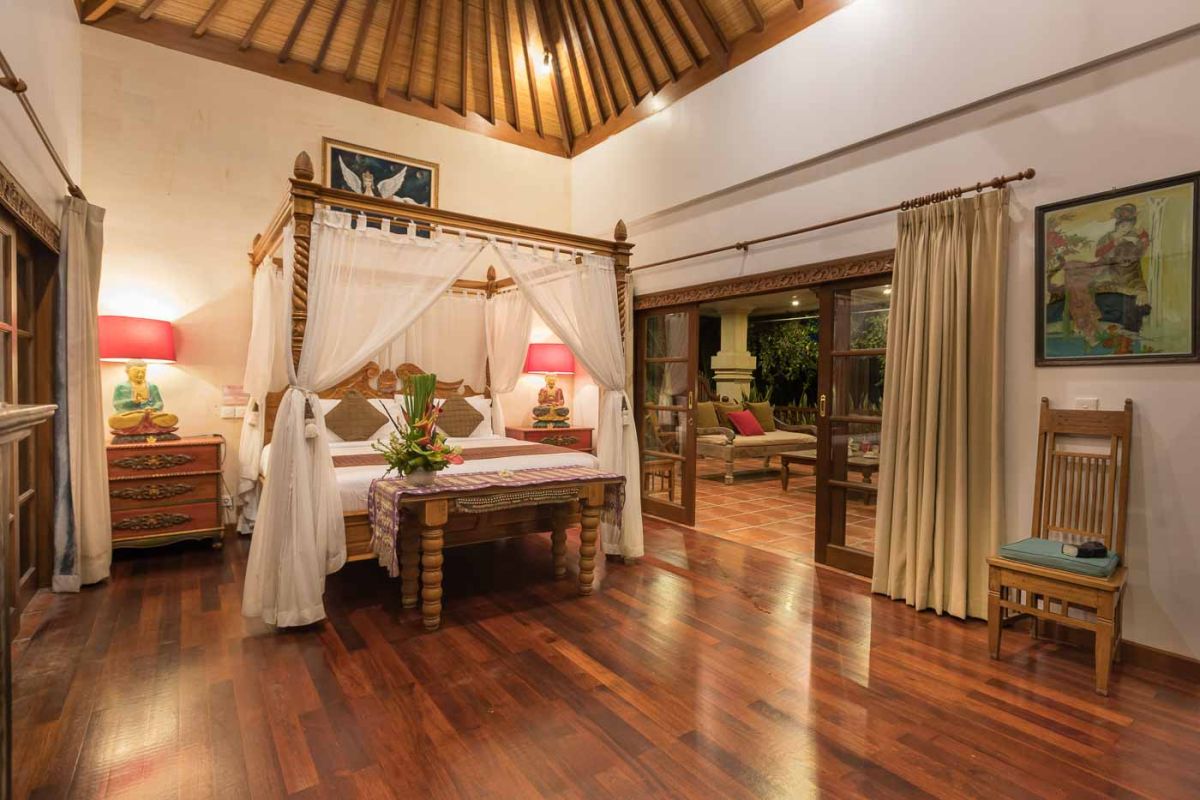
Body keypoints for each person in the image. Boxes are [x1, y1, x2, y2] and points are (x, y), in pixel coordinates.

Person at [109, 359, 179, 438]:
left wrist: (153, 408)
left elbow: (159, 403)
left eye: (143, 372)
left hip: (151, 415)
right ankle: (140, 421)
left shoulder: (152, 386)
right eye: (136, 372)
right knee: (113, 420)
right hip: (133, 414)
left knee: (172, 417)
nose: (140, 375)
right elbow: (117, 404)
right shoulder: (121, 387)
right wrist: (132, 402)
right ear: (127, 372)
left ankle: (142, 422)